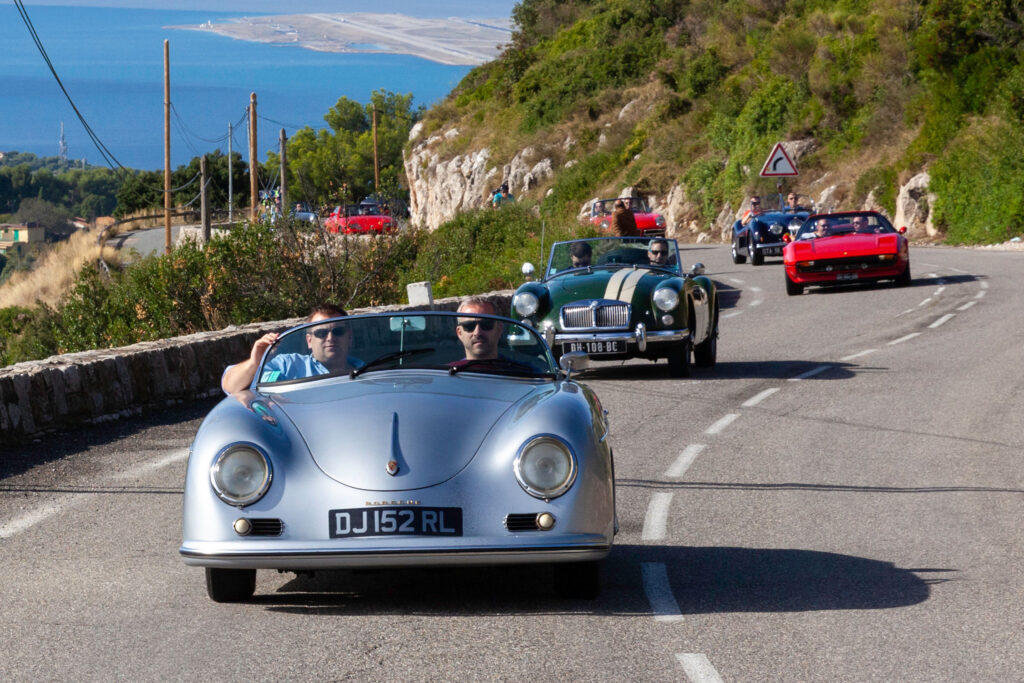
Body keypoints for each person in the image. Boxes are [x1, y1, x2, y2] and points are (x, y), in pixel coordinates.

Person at [221, 303, 358, 393]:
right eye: (321, 333)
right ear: (309, 341)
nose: (330, 338)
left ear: (349, 337)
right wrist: (254, 363)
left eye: (338, 332)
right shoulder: (288, 366)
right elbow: (231, 386)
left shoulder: (367, 369)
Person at [453, 298, 502, 362]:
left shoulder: (515, 370)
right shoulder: (445, 371)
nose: (477, 332)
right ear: (459, 333)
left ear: (499, 329)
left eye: (486, 324)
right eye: (469, 326)